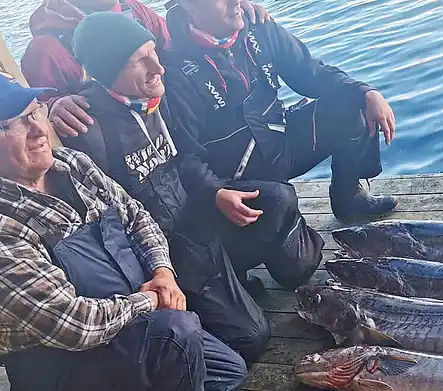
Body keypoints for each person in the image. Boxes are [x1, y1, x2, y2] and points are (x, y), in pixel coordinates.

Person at [58, 12, 323, 360]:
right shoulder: (88, 128)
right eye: (140, 60)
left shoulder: (158, 97)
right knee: (251, 338)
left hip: (198, 223)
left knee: (277, 198)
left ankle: (234, 279)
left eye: (153, 52)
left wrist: (216, 192)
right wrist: (158, 275)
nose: (158, 67)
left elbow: (189, 157)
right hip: (164, 254)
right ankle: (204, 309)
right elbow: (106, 226)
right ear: (109, 71)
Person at [0, 72, 247, 391]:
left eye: (36, 111)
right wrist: (150, 300)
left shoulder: (72, 164)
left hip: (131, 321)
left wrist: (163, 273)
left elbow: (137, 217)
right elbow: (74, 325)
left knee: (227, 373)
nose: (39, 129)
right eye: (15, 124)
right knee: (177, 336)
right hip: (56, 358)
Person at [161, 0, 399, 221]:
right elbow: (186, 156)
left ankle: (349, 198)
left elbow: (312, 74)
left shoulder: (260, 28)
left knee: (350, 101)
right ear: (191, 7)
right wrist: (215, 191)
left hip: (279, 143)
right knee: (298, 251)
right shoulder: (173, 68)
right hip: (237, 178)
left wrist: (367, 92)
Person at [20, 0, 269, 140]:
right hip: (127, 165)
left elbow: (181, 52)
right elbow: (36, 124)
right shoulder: (45, 50)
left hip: (183, 134)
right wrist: (54, 107)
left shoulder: (135, 9)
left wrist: (231, 19)